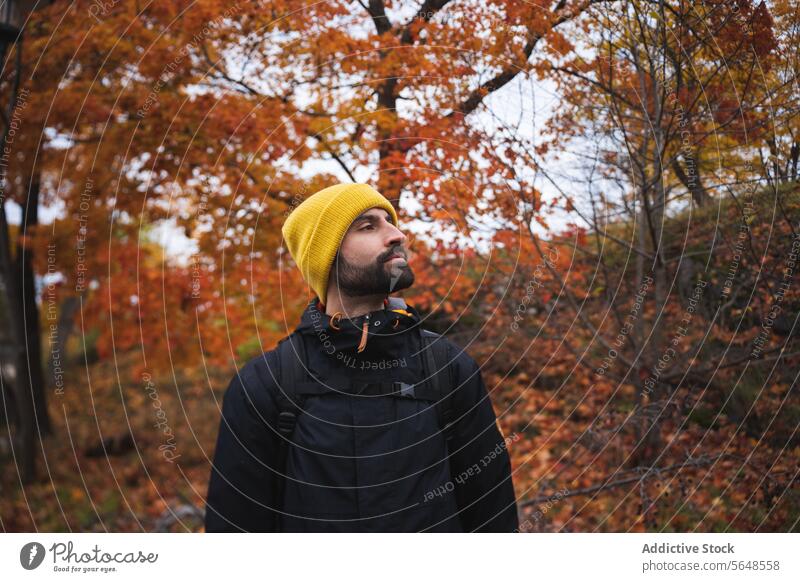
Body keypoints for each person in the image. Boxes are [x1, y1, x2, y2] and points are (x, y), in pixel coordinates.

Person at [204, 182, 519, 532]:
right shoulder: (265, 383)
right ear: (325, 256)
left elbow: (493, 518)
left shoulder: (448, 368)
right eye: (368, 226)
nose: (396, 235)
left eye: (390, 221)